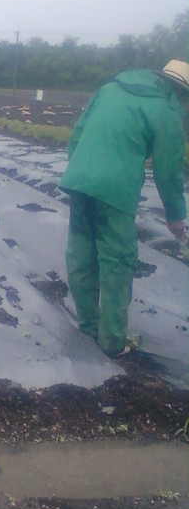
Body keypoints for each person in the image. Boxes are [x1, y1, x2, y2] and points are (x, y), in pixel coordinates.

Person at [59, 60, 188, 357]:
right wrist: (176, 216)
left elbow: (77, 136)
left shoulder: (108, 90)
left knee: (81, 256)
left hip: (79, 181)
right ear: (179, 91)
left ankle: (88, 328)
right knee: (117, 263)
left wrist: (85, 172)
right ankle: (113, 343)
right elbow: (168, 170)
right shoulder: (165, 111)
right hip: (115, 192)